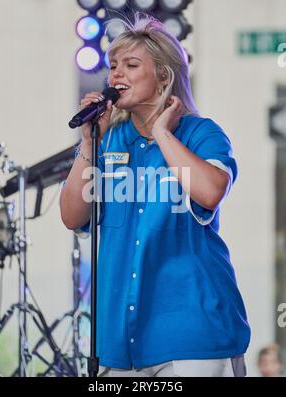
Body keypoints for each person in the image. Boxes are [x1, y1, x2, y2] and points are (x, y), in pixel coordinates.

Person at [60, 12, 250, 377]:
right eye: (113, 65)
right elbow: (72, 217)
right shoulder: (107, 139)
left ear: (164, 75)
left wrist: (163, 133)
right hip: (118, 342)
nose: (116, 74)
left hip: (192, 334)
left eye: (131, 65)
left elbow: (211, 192)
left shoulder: (201, 133)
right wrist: (87, 143)